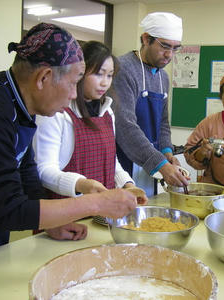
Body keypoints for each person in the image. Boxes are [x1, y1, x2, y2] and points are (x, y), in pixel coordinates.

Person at [0, 23, 137, 255]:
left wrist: (51, 223)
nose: (73, 94)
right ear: (44, 78)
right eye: (72, 83)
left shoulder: (18, 101)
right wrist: (97, 203)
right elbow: (8, 210)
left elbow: (27, 173)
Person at [33, 41, 147, 205]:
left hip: (101, 212)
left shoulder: (107, 113)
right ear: (79, 73)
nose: (105, 83)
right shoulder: (56, 113)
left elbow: (111, 162)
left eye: (109, 75)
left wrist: (127, 185)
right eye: (99, 74)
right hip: (65, 213)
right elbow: (44, 170)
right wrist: (81, 184)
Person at [112, 12, 189, 197]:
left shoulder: (163, 76)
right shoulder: (123, 69)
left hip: (150, 162)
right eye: (164, 46)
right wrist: (161, 165)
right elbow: (125, 125)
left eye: (175, 48)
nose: (169, 55)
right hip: (122, 161)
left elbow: (162, 122)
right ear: (146, 39)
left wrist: (166, 152)